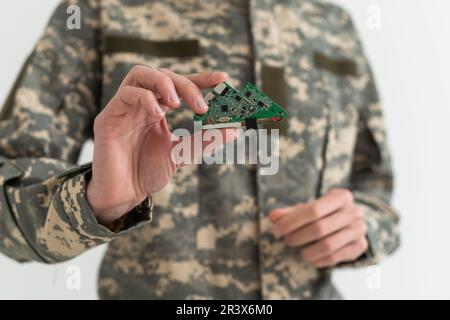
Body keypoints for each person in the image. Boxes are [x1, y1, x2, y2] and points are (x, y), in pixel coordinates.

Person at [0, 0, 400, 299]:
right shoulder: (99, 9)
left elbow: (375, 187)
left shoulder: (333, 24)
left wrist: (362, 228)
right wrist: (96, 204)